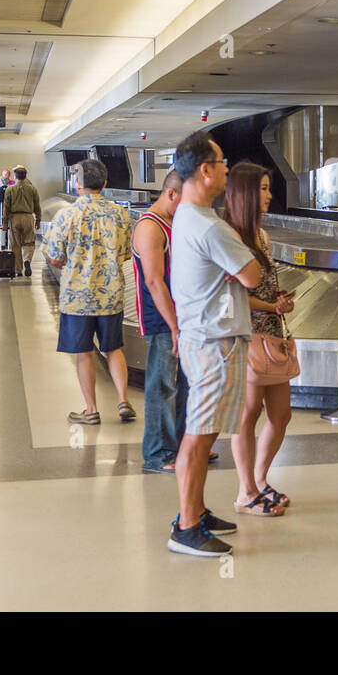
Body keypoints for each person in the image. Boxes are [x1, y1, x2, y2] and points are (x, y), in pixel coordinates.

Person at [169, 132, 267, 557]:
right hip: (214, 341)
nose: (228, 168)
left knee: (203, 434)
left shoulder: (189, 217)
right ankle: (187, 527)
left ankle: (195, 510)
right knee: (200, 435)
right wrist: (239, 269)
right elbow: (252, 275)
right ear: (205, 170)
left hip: (204, 336)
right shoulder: (210, 225)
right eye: (222, 162)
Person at [223, 162, 296, 512]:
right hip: (245, 335)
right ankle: (245, 491)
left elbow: (264, 284)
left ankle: (261, 479)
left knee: (281, 413)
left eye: (269, 188)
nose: (269, 195)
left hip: (271, 334)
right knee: (248, 413)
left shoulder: (262, 236)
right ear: (246, 194)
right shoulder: (230, 237)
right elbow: (233, 293)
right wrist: (270, 306)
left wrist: (277, 300)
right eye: (263, 189)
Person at [44, 159, 136, 425]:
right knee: (114, 348)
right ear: (105, 184)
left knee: (84, 353)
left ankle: (91, 409)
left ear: (77, 184)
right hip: (111, 295)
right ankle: (122, 400)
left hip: (77, 297)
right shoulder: (121, 214)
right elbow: (126, 254)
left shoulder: (66, 215)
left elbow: (54, 257)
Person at [134, 170, 194, 473]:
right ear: (170, 194)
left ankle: (183, 446)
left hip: (180, 318)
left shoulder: (172, 223)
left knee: (183, 384)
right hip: (161, 320)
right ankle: (158, 453)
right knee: (162, 386)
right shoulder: (150, 227)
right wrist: (173, 326)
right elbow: (154, 281)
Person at [2, 165, 42, 277]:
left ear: (15, 176)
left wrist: (5, 223)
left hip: (14, 218)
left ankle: (18, 270)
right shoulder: (33, 189)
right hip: (29, 217)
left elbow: (6, 208)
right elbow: (37, 206)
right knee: (29, 242)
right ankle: (27, 261)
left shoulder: (10, 189)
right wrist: (38, 220)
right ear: (25, 176)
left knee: (15, 244)